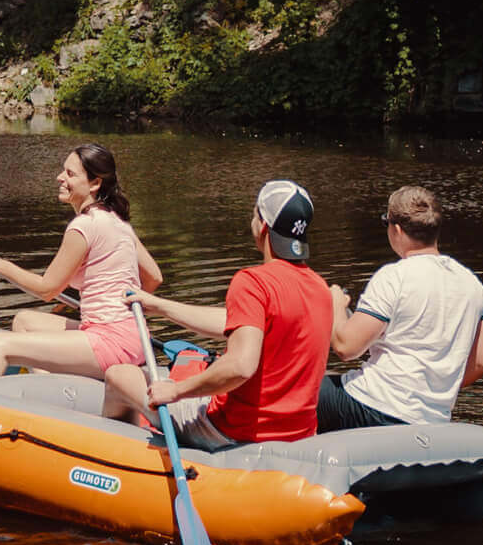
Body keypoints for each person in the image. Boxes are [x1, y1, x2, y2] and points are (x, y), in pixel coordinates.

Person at [128, 179, 332, 450]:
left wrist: (176, 391)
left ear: (262, 226)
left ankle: (121, 462)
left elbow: (240, 366)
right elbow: (240, 322)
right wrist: (160, 306)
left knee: (120, 375)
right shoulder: (320, 288)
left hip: (234, 431)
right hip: (299, 434)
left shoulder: (252, 282)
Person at [0, 144, 162, 399]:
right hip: (134, 338)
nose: (60, 178)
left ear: (94, 184)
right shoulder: (117, 221)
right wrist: (115, 309)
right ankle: (54, 397)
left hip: (112, 342)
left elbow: (48, 290)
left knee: (3, 344)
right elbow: (154, 277)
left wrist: (1, 266)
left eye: (70, 174)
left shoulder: (83, 227)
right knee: (24, 322)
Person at [317, 185, 483, 432]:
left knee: (302, 387)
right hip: (433, 416)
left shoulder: (394, 277)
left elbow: (346, 347)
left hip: (374, 407)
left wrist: (336, 303)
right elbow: (481, 364)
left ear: (396, 229)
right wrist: (431, 392)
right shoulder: (474, 286)